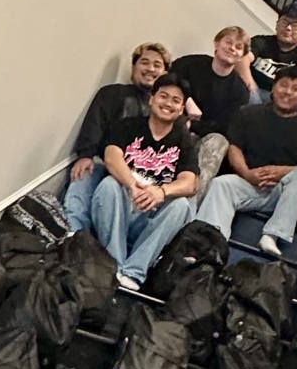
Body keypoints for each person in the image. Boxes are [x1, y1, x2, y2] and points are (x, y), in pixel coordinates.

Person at [196, 66, 297, 258]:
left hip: (283, 193)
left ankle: (272, 234)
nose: (288, 92)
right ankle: (210, 245)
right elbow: (234, 148)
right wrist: (247, 174)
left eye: (295, 89)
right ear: (273, 87)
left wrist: (282, 172)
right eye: (283, 85)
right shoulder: (248, 113)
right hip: (250, 183)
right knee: (221, 184)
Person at [91, 74, 199, 290]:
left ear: (181, 110)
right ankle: (115, 265)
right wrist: (132, 185)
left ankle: (134, 272)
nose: (168, 103)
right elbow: (112, 157)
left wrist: (161, 191)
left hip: (149, 218)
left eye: (176, 101)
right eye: (163, 96)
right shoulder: (126, 126)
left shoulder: (183, 141)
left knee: (181, 205)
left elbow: (190, 183)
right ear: (152, 99)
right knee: (109, 184)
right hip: (118, 209)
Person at [63, 42, 172, 232]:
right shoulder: (112, 93)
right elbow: (93, 125)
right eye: (144, 63)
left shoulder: (165, 110)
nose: (150, 69)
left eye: (157, 65)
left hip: (140, 176)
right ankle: (74, 237)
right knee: (82, 176)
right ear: (134, 68)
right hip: (103, 163)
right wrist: (85, 155)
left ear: (164, 74)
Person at [172, 26, 251, 204]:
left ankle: (188, 206)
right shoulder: (190, 64)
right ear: (217, 44)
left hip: (203, 138)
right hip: (172, 124)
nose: (232, 48)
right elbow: (166, 81)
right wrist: (187, 101)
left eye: (238, 47)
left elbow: (224, 127)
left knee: (219, 142)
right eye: (228, 42)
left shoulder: (239, 91)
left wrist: (192, 125)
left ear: (241, 55)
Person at [236, 4, 297, 105]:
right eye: (284, 22)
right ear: (276, 24)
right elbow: (242, 59)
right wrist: (250, 84)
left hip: (283, 97)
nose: (288, 28)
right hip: (253, 91)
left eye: (295, 25)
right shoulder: (260, 42)